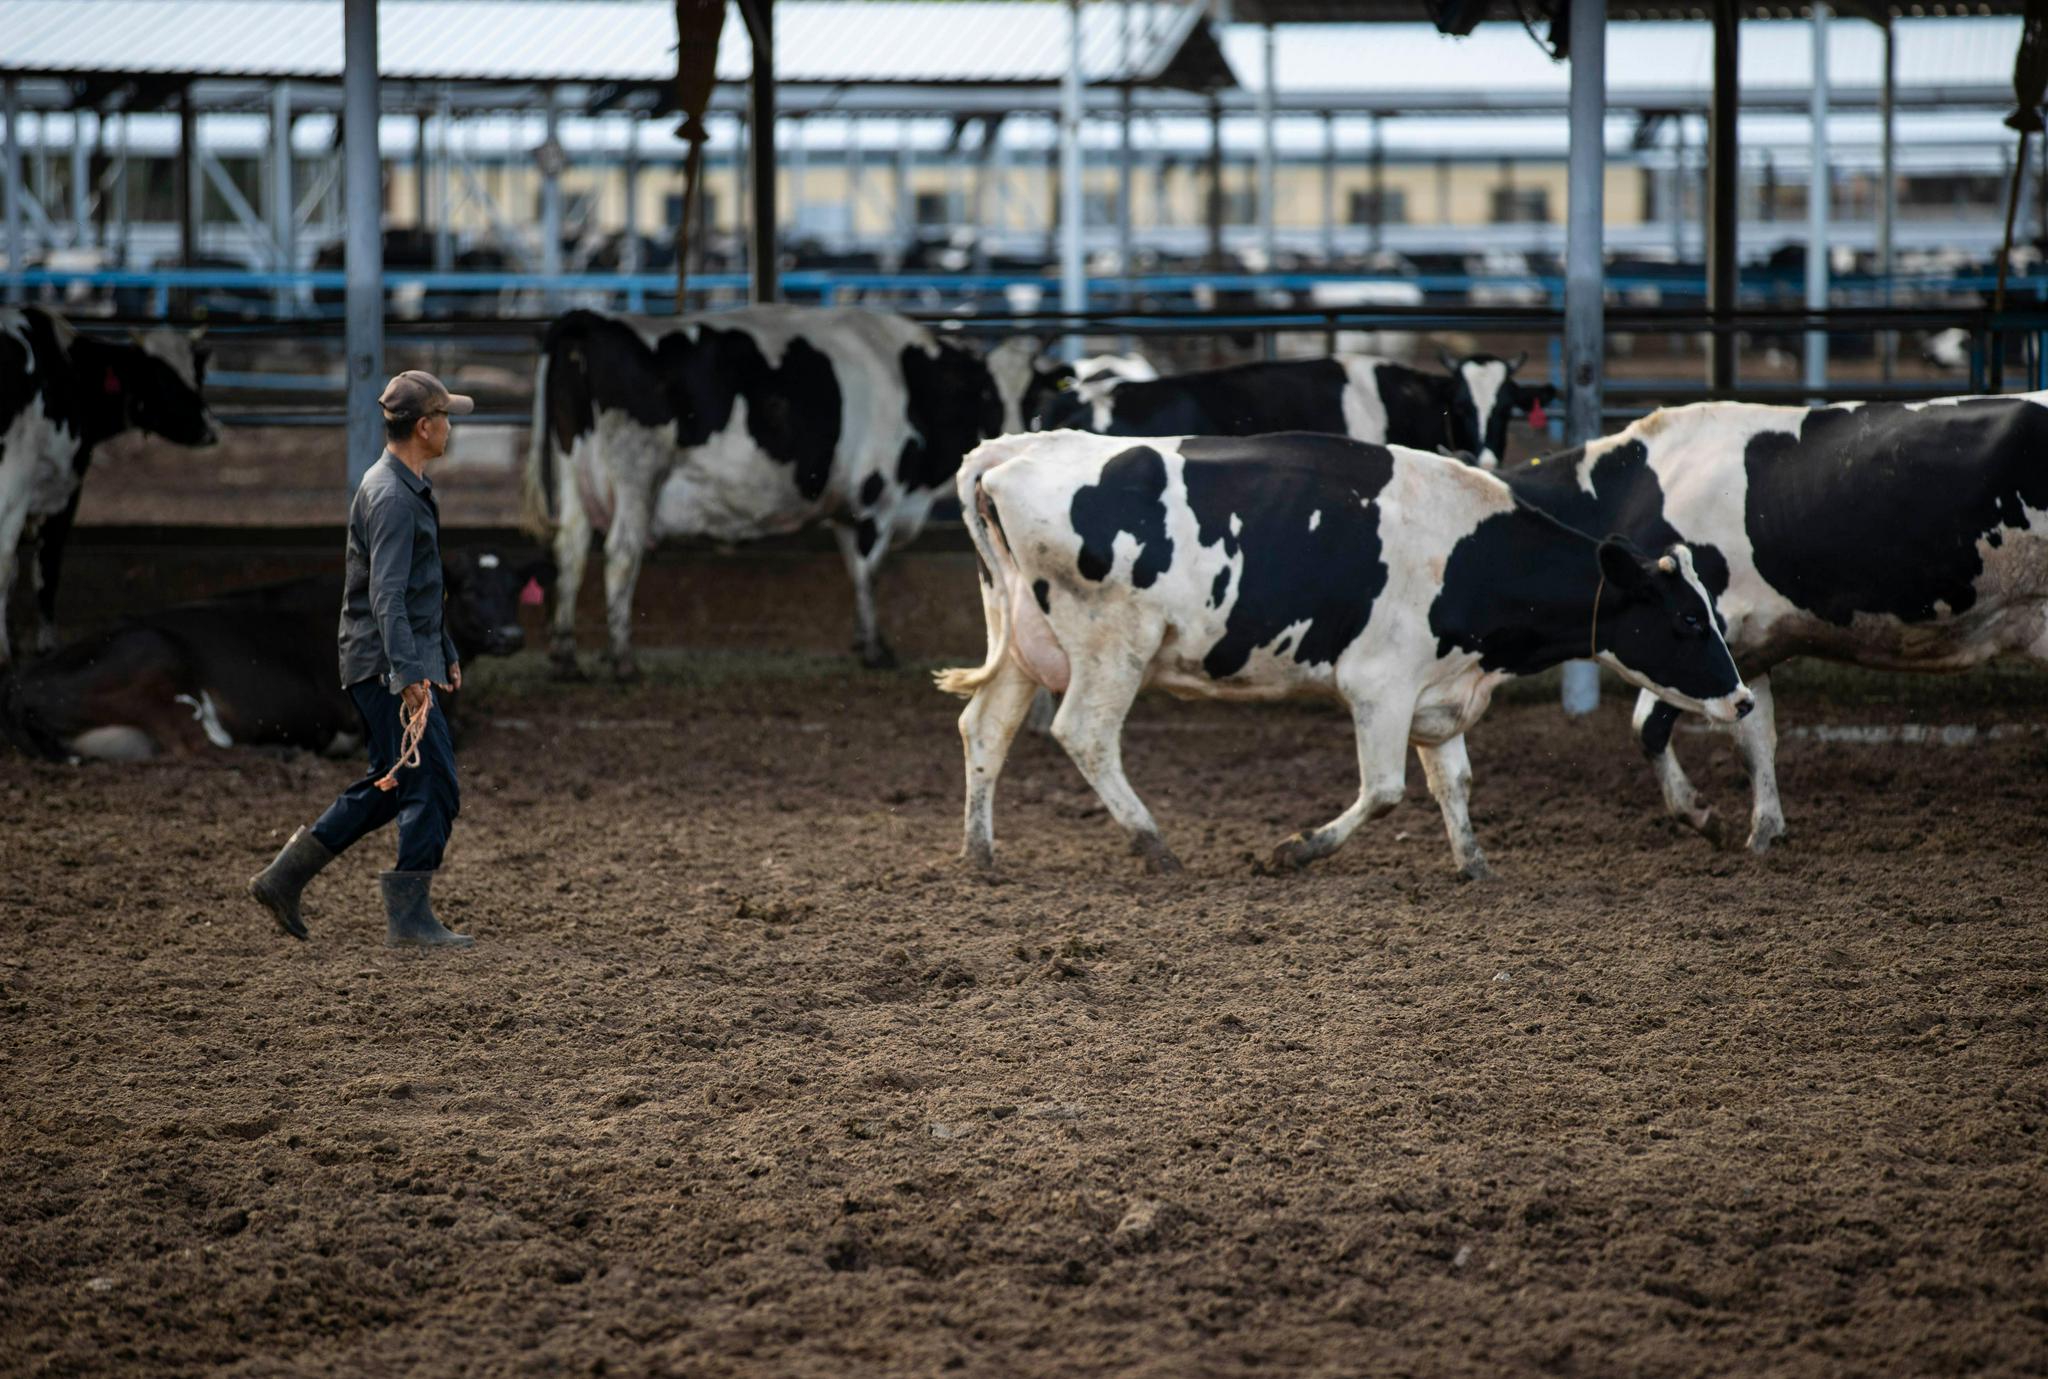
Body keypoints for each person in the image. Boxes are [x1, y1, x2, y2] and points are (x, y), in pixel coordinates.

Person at [248, 370, 477, 948]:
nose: (450, 427)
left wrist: (443, 650)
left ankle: (286, 876)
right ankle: (409, 917)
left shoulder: (404, 487)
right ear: (424, 428)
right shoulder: (394, 498)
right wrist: (406, 674)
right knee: (435, 785)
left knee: (393, 783)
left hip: (386, 659)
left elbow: (421, 592)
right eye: (446, 417)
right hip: (385, 664)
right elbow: (386, 596)